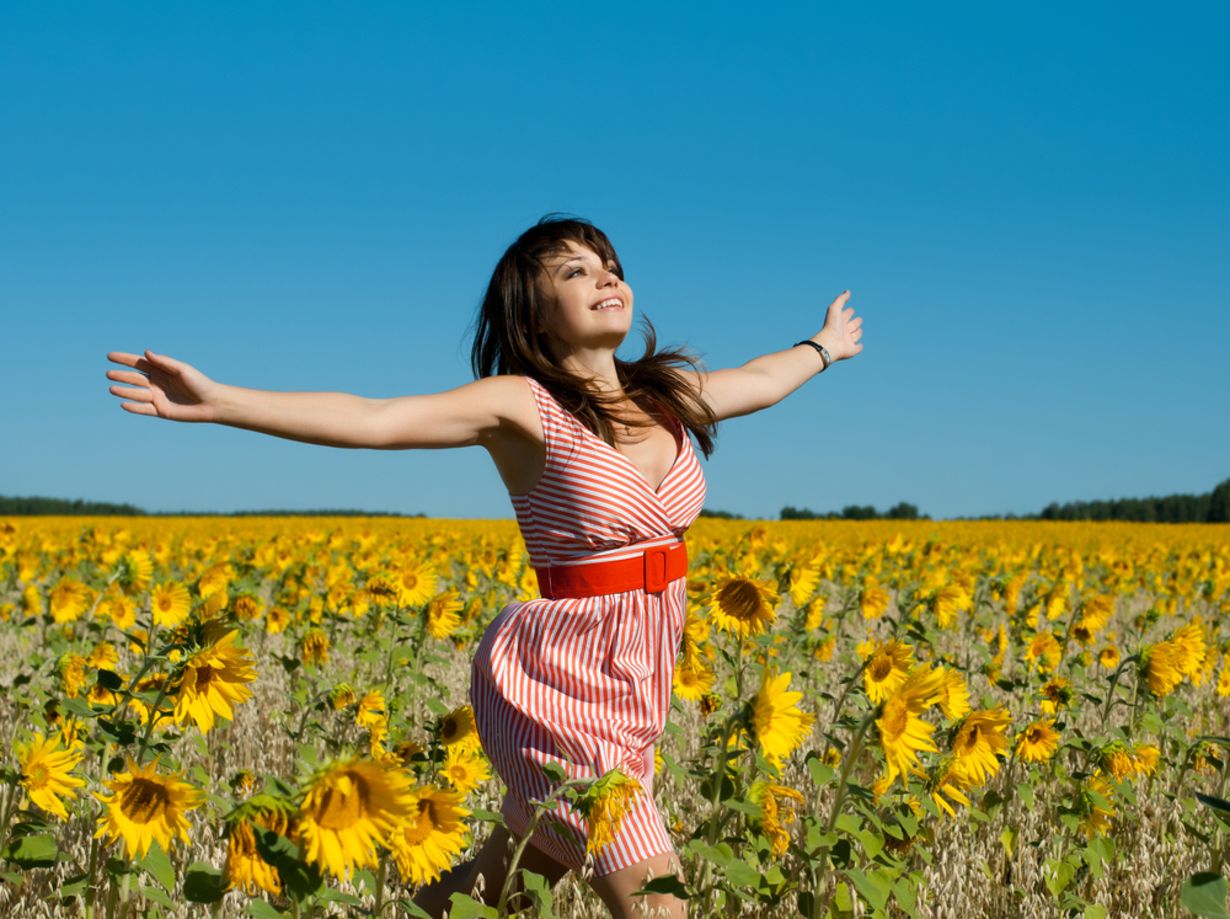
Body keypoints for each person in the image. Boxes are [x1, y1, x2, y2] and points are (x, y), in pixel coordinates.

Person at [105, 214, 863, 918]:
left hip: (638, 676)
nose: (607, 278)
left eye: (610, 266)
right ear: (532, 313)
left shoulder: (668, 396)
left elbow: (761, 380)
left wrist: (824, 345)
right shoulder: (522, 406)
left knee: (505, 887)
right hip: (560, 680)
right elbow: (376, 419)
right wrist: (222, 401)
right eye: (575, 271)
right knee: (660, 903)